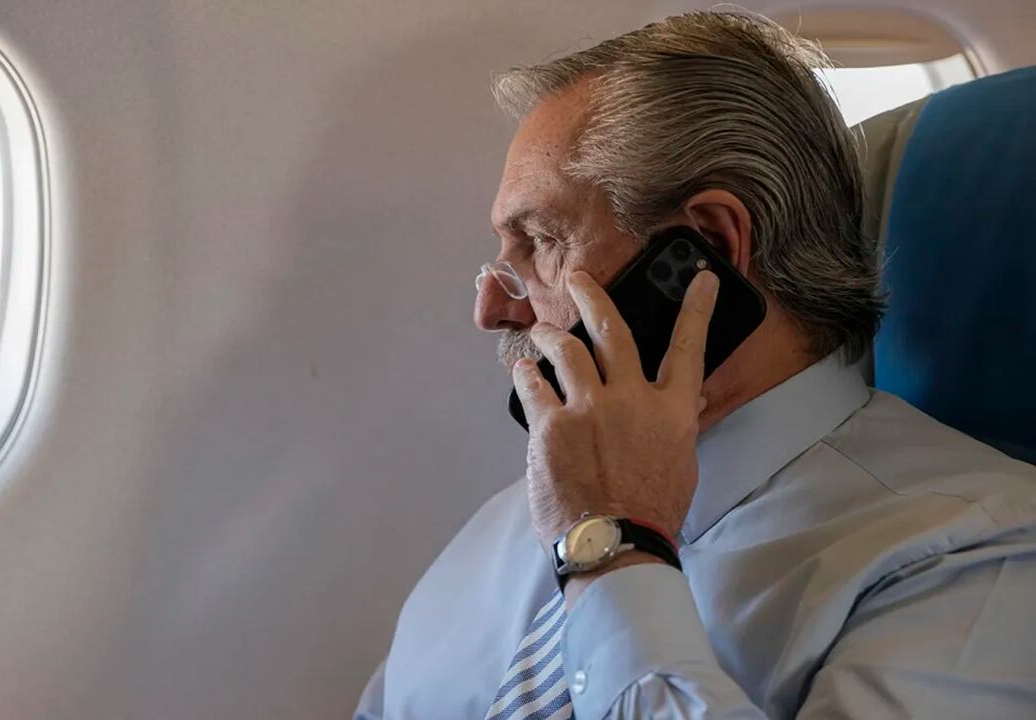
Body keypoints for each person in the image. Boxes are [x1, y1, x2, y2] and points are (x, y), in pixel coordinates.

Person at [354, 10, 1036, 720]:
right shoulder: (516, 518)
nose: (492, 310)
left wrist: (614, 545)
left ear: (706, 247)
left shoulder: (979, 556)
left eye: (542, 242)